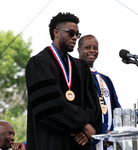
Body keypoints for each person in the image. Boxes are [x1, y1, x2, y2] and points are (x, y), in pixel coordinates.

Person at [25, 12, 102, 150]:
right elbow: (49, 105)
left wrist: (86, 132)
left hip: (80, 143)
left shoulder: (81, 67)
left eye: (77, 35)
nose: (74, 38)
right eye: (71, 33)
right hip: (52, 142)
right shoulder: (39, 63)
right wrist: (83, 125)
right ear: (56, 32)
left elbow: (93, 106)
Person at [78, 35, 121, 150]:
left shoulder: (105, 80)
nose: (92, 51)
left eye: (95, 48)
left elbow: (117, 110)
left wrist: (111, 136)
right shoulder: (75, 76)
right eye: (87, 47)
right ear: (79, 50)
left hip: (108, 143)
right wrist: (101, 131)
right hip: (87, 140)